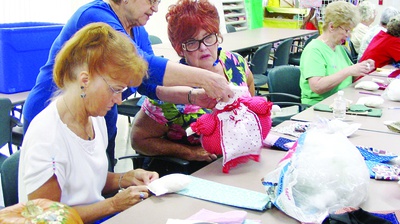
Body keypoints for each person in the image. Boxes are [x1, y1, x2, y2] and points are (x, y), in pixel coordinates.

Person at [22, 0, 233, 172]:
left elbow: (149, 83)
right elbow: (143, 62)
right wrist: (205, 79)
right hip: (58, 115)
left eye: (158, 2)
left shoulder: (137, 30)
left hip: (99, 120)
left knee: (99, 187)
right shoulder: (93, 17)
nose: (155, 8)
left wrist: (194, 97)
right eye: (151, 0)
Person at [18, 22, 159, 223]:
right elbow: (45, 219)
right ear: (85, 80)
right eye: (116, 89)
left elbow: (87, 183)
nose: (119, 100)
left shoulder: (95, 118)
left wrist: (125, 178)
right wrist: (113, 204)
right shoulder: (47, 137)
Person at [130, 0, 255, 176]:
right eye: (191, 42)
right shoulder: (171, 90)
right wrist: (189, 153)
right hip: (200, 172)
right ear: (179, 49)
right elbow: (139, 140)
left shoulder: (234, 62)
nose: (203, 47)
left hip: (242, 161)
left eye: (209, 37)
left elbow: (249, 86)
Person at [299, 1, 375, 106]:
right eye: (347, 30)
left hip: (340, 102)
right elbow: (317, 86)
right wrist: (348, 71)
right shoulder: (314, 50)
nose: (349, 36)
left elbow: (349, 76)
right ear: (332, 27)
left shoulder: (339, 48)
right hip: (318, 107)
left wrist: (361, 68)